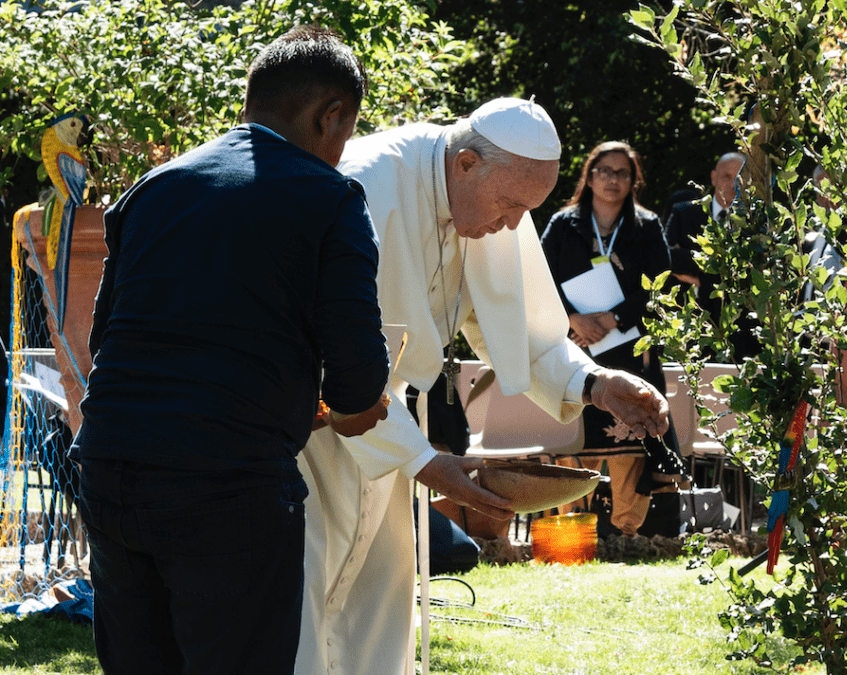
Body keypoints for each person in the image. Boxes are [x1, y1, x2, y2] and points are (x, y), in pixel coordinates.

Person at [296, 97, 671, 675]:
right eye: (512, 206)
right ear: (467, 163)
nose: (516, 224)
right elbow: (328, 356)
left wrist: (595, 382)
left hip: (393, 424)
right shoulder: (362, 185)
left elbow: (526, 329)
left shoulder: (492, 193)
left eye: (530, 208)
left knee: (379, 604)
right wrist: (420, 458)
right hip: (318, 428)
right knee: (306, 596)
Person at [69, 26, 391, 675]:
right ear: (330, 116)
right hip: (226, 488)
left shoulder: (152, 188)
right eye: (346, 134)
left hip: (110, 471)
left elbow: (109, 340)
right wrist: (353, 407)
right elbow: (358, 378)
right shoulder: (330, 198)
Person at [539, 140, 685, 536]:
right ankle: (570, 530)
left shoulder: (647, 225)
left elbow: (661, 285)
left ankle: (635, 532)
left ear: (633, 180)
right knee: (575, 437)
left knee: (635, 437)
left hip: (630, 349)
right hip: (576, 347)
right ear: (589, 175)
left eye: (622, 172)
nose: (612, 179)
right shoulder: (563, 224)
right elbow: (538, 278)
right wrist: (571, 318)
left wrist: (615, 315)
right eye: (605, 170)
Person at [664, 151, 761, 362]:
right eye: (727, 177)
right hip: (692, 328)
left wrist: (700, 278)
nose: (733, 185)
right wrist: (722, 267)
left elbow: (753, 275)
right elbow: (664, 257)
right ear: (713, 177)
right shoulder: (684, 213)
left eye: (740, 179)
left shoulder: (759, 223)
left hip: (743, 336)